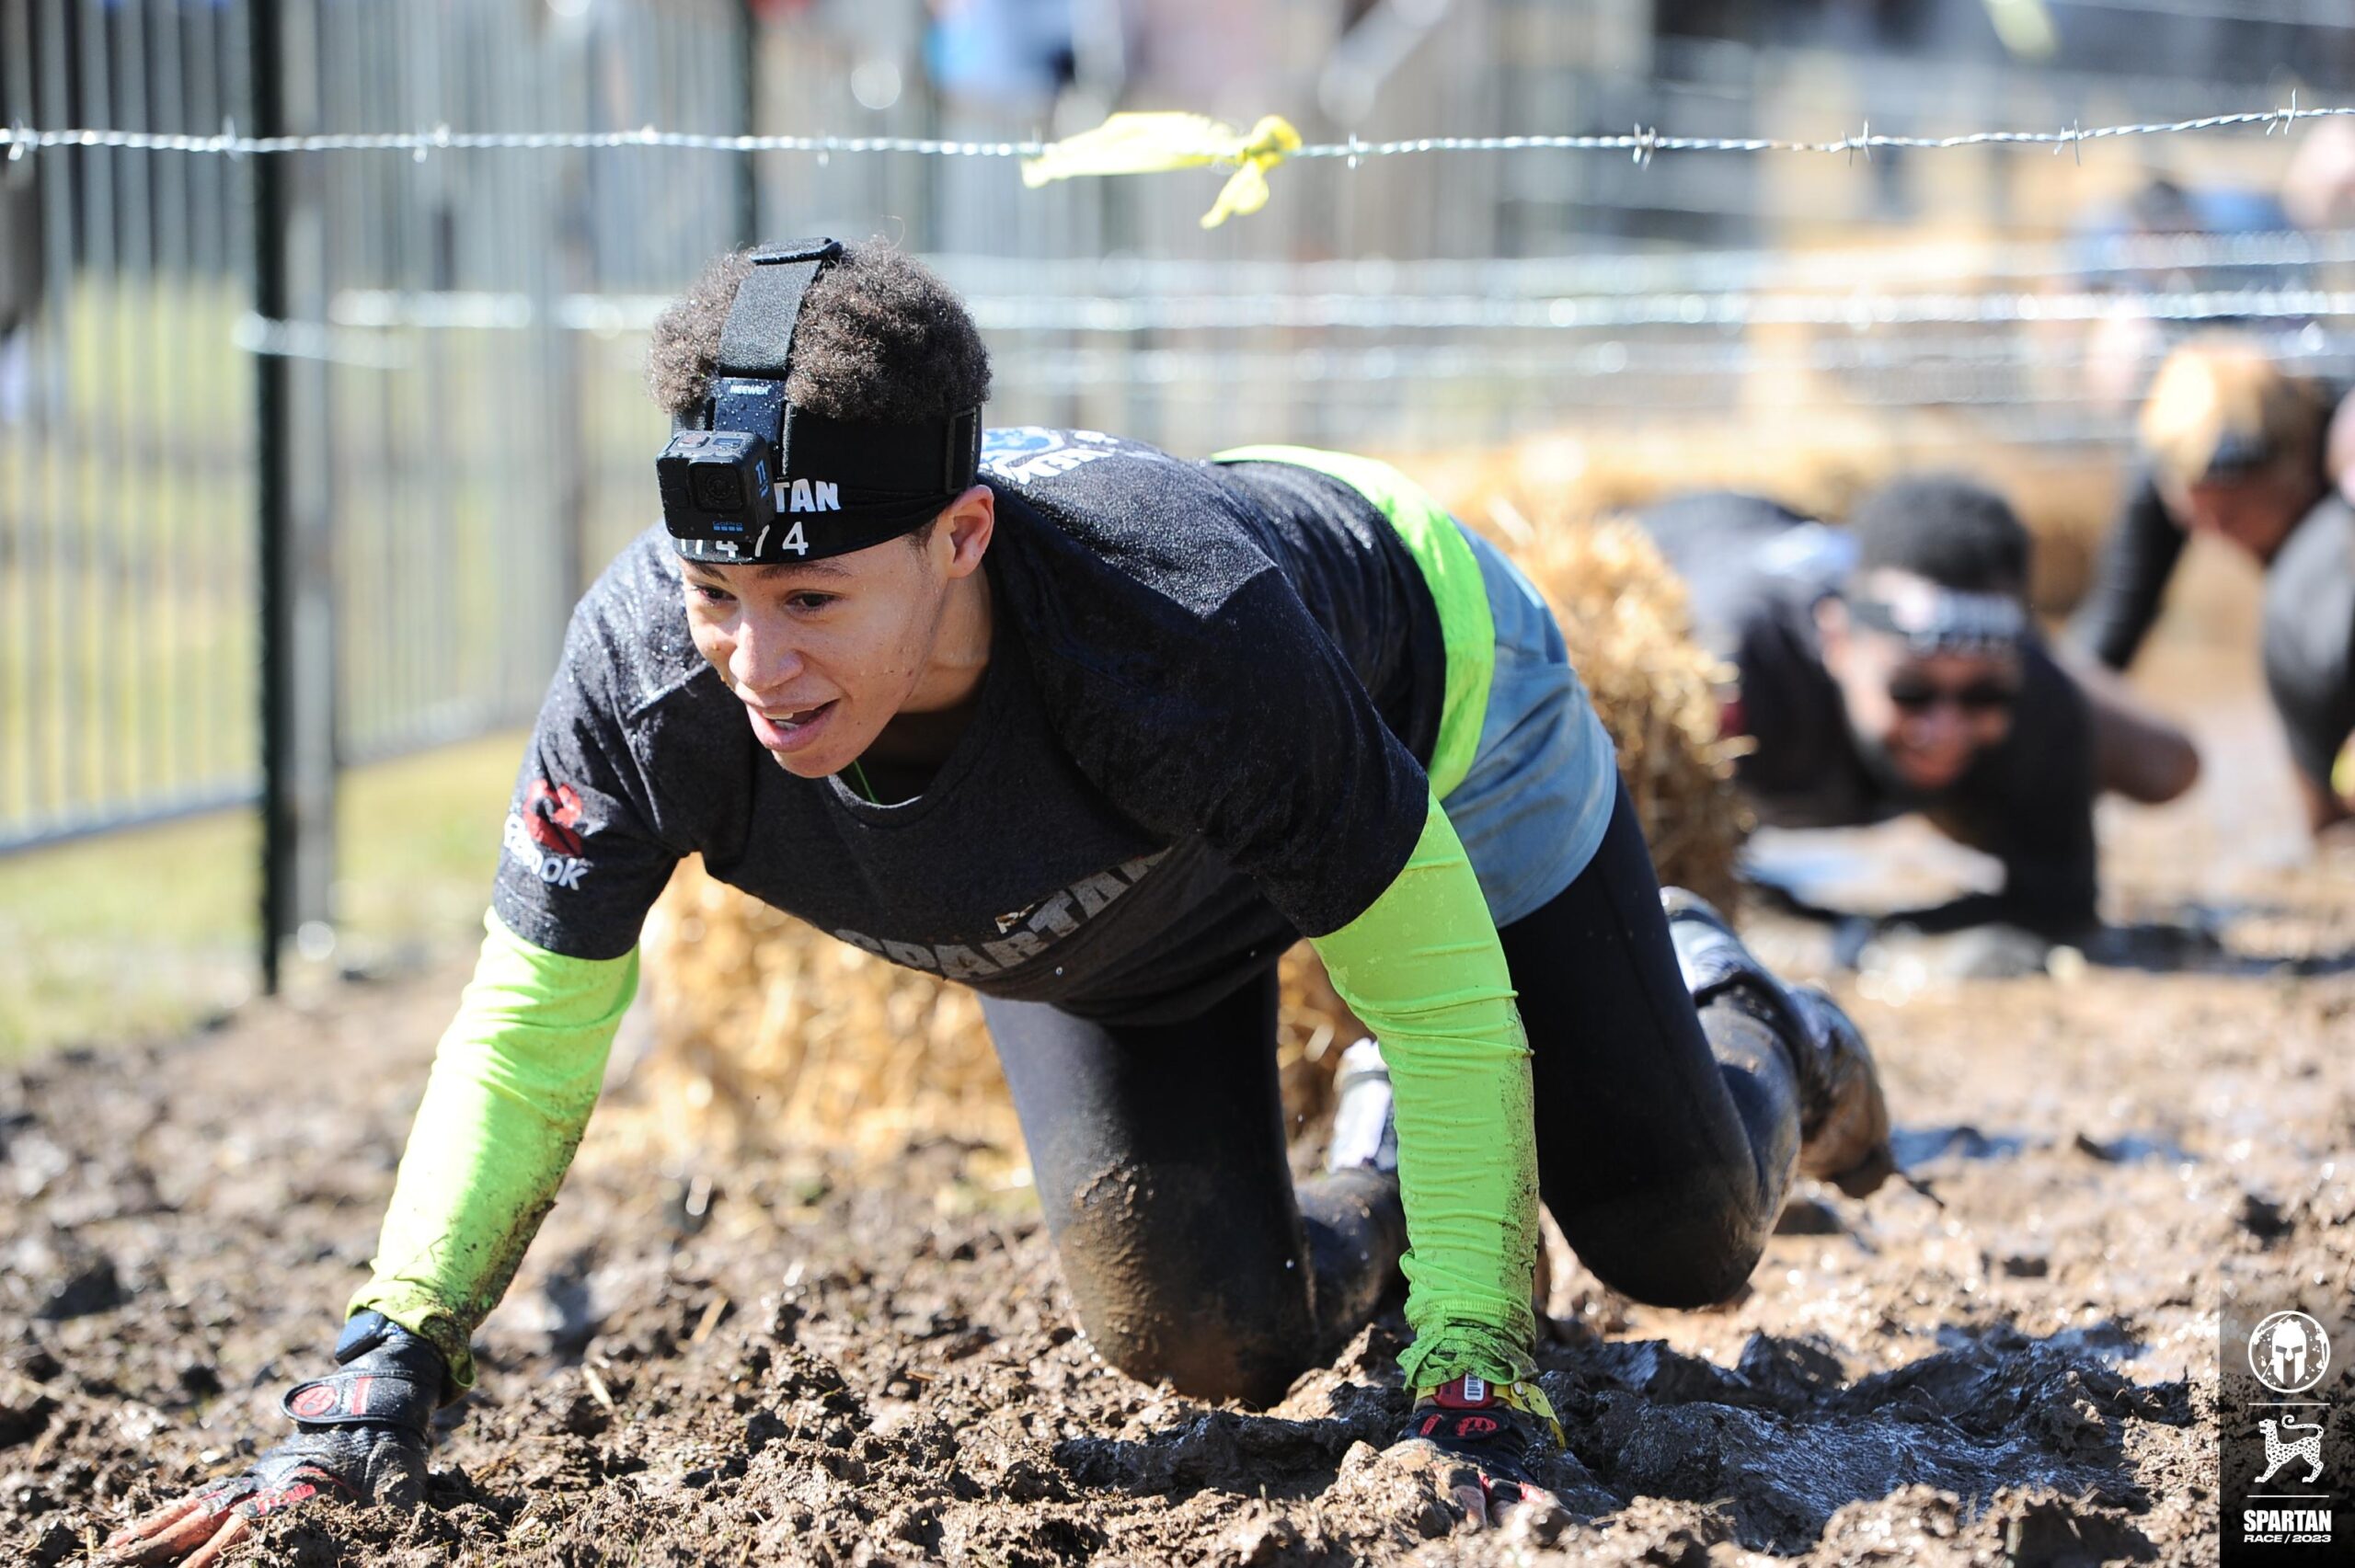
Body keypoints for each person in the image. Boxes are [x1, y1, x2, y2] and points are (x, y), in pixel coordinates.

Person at [106, 240, 1893, 1564]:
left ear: (960, 540)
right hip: (1126, 901)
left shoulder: (1176, 637)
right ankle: (1386, 1159)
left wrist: (1478, 1372)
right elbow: (523, 1035)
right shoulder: (645, 684)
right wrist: (386, 1354)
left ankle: (1755, 1022)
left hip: (1430, 716)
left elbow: (1434, 994)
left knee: (1675, 1234)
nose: (753, 664)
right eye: (717, 593)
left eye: (811, 601)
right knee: (1200, 1336)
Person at [1637, 477, 2198, 943]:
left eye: (1983, 695)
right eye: (1911, 691)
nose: (1945, 728)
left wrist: (1896, 934)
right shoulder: (1728, 677)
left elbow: (2059, 907)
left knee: (2165, 764)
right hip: (1692, 538)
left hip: (1811, 555)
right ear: (1838, 644)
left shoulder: (2033, 692)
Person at [2072, 334, 2355, 833]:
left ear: (2290, 474)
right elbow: (2107, 636)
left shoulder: (2339, 436)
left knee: (2297, 609)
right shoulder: (2170, 477)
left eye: (2233, 515)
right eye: (2197, 516)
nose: (2215, 535)